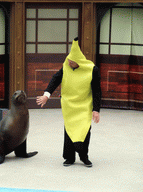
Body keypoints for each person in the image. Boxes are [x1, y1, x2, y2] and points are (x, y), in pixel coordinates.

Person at [36, 37, 101, 167]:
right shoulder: (66, 66)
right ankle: (69, 157)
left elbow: (97, 91)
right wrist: (46, 95)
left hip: (84, 105)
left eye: (72, 61)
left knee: (84, 131)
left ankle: (84, 156)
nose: (69, 62)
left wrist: (96, 110)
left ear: (78, 61)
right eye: (69, 60)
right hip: (69, 105)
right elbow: (55, 79)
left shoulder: (92, 69)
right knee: (69, 130)